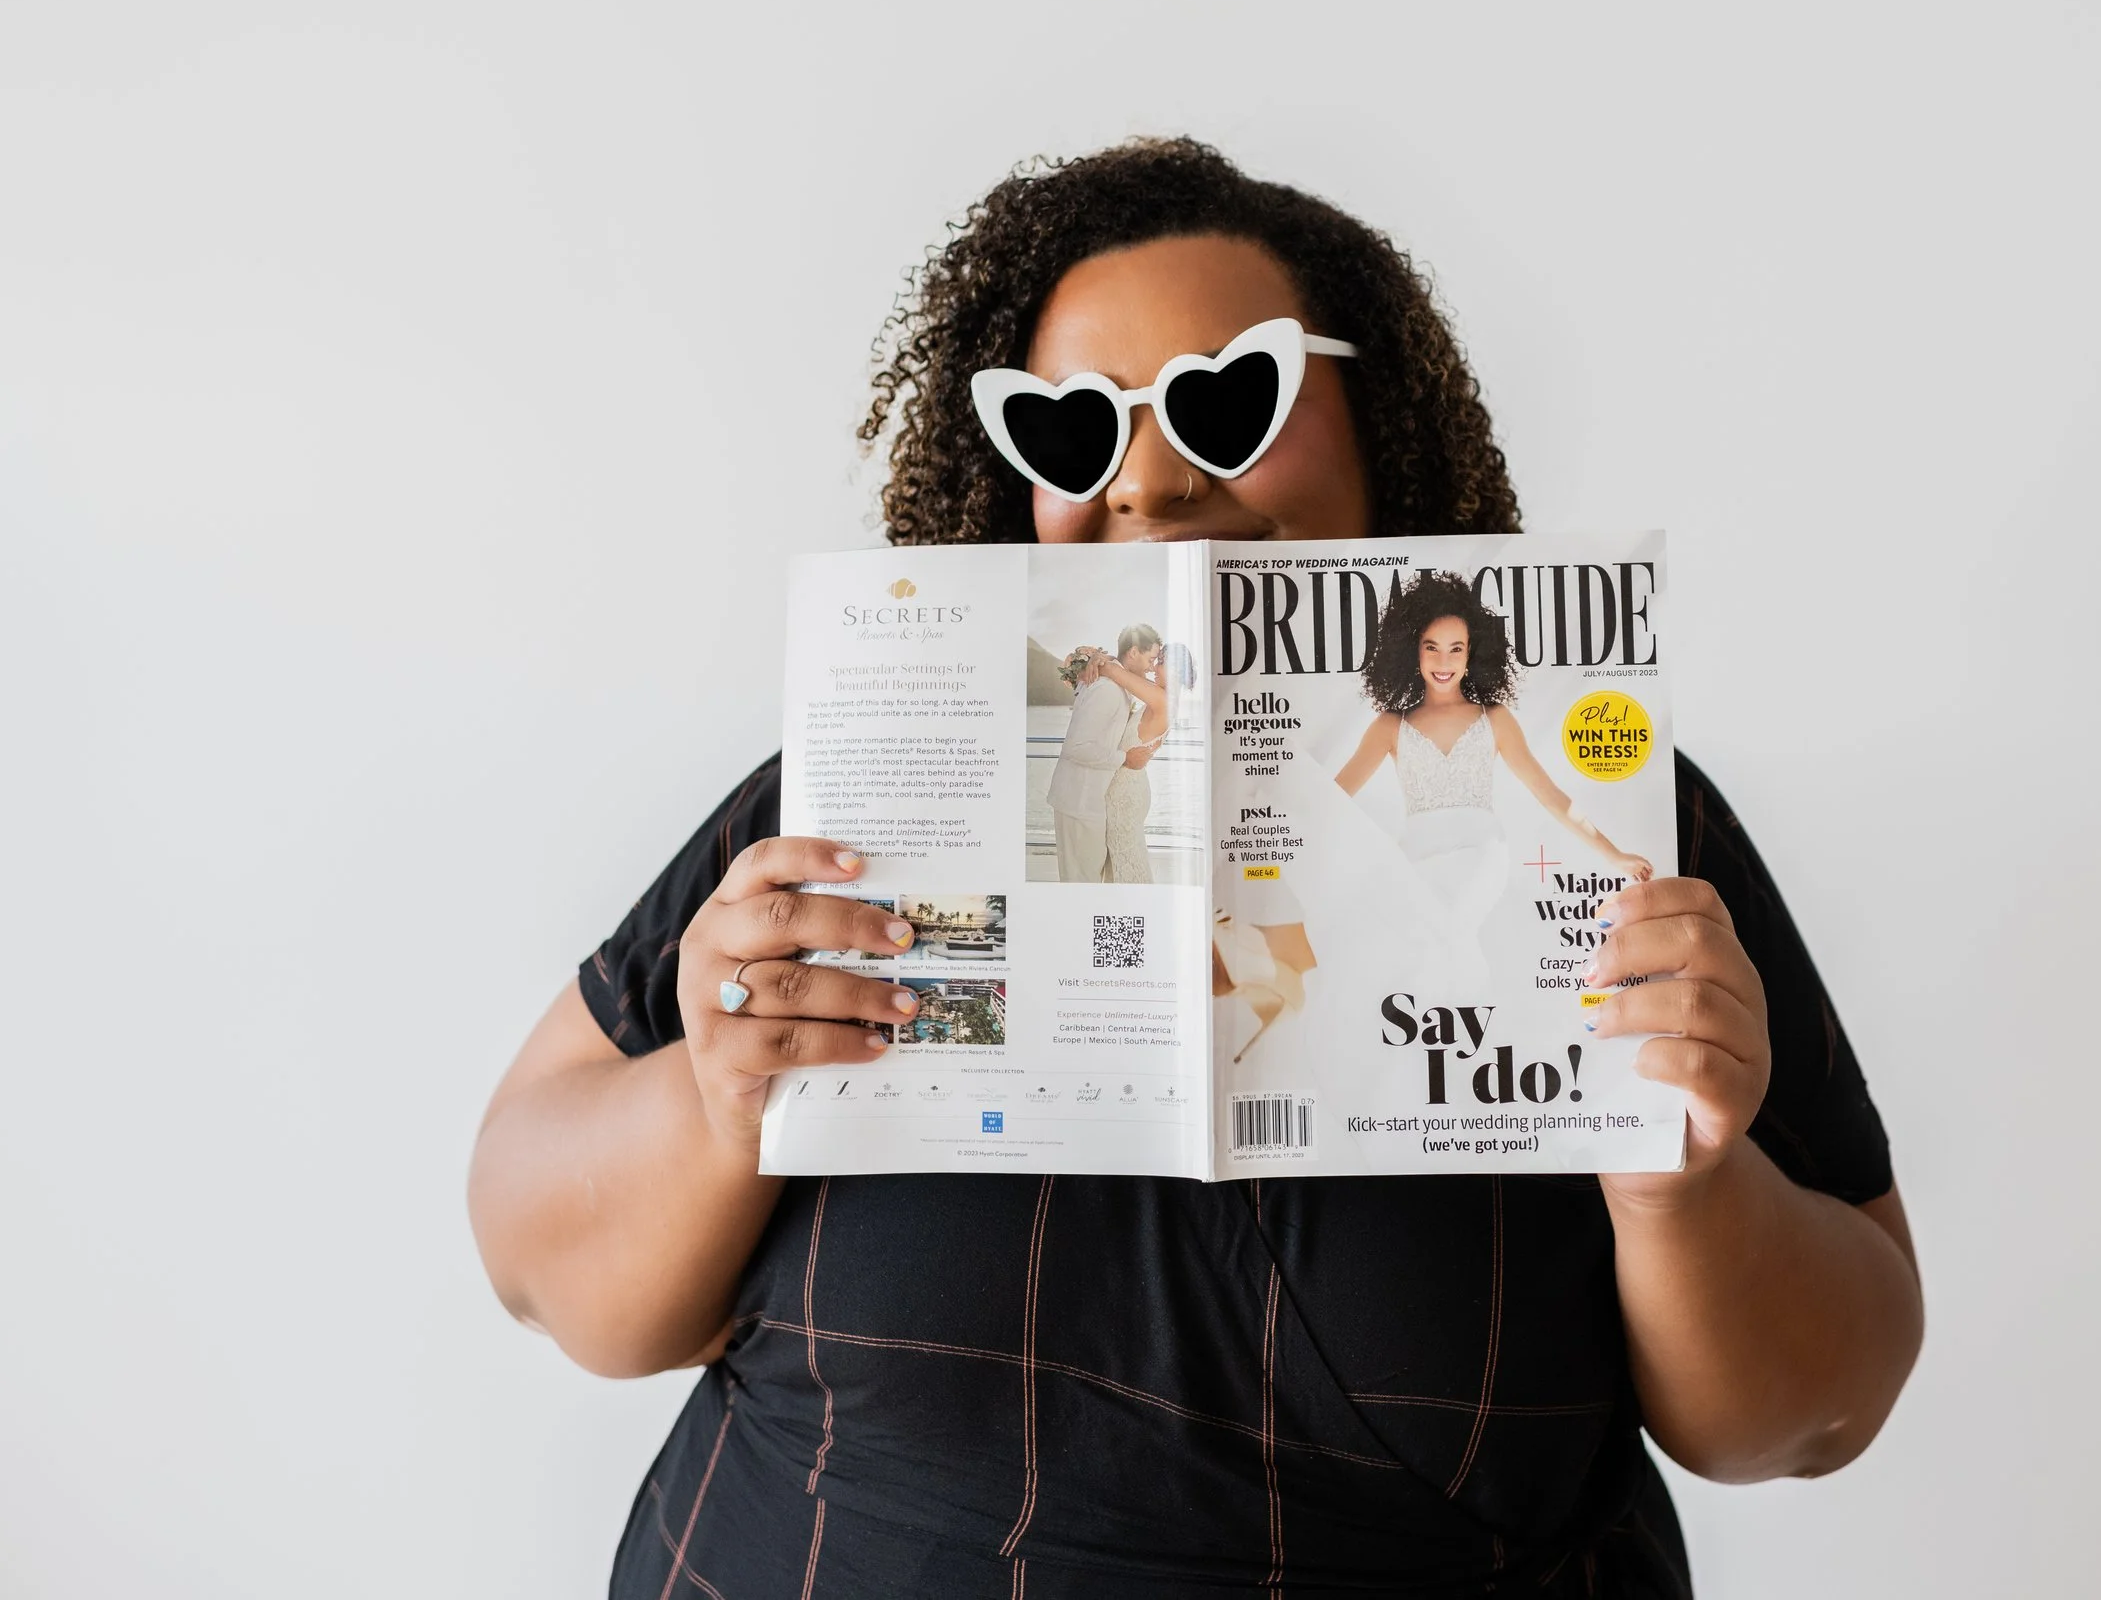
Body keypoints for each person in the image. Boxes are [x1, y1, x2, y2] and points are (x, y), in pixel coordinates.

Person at [468, 137, 1924, 1599]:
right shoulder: (848, 804)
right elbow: (548, 1274)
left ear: (1380, 424)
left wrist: (1687, 1191)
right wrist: (713, 1097)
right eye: (1075, 432)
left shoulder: (1626, 830)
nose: (1151, 482)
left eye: (1229, 402)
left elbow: (1814, 1413)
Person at [1336, 569, 1653, 927]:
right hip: (1415, 857)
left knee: (1445, 933)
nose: (1444, 662)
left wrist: (1615, 856)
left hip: (1479, 856)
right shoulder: (1390, 727)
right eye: (1432, 648)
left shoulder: (1495, 719)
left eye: (1456, 649)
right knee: (1420, 944)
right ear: (1413, 651)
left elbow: (1550, 796)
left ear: (1472, 653)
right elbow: (1330, 799)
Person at [1095, 624, 1174, 884]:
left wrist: (1095, 657)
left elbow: (1112, 671)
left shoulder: (1162, 699)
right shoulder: (1164, 698)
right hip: (1128, 788)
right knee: (1124, 859)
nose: (1153, 667)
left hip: (1125, 795)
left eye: (1158, 662)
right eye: (1153, 660)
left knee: (1127, 861)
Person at [1046, 644, 1128, 882]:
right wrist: (1124, 758)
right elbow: (1078, 747)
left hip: (1084, 801)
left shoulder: (1108, 682)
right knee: (1081, 880)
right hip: (1079, 802)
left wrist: (1099, 661)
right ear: (1133, 652)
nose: (1153, 666)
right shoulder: (1106, 688)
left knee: (1085, 879)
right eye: (1152, 657)